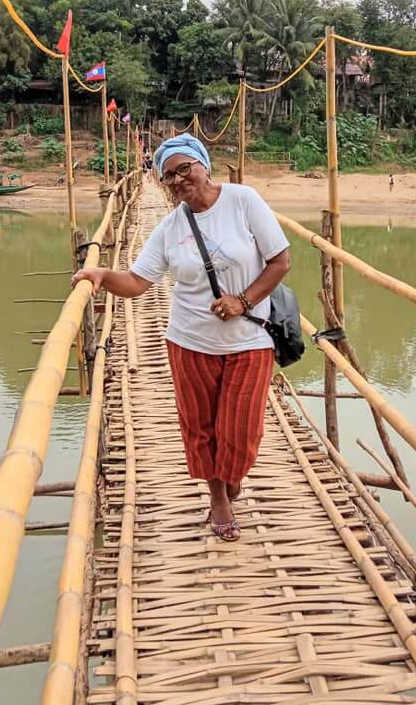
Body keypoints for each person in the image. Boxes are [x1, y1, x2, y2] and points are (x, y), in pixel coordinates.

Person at [71, 133, 291, 541]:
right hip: (190, 341)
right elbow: (137, 281)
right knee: (201, 426)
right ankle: (218, 497)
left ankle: (231, 475)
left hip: (251, 340)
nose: (177, 181)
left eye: (184, 169)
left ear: (203, 164)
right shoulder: (170, 227)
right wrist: (101, 275)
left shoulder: (244, 201)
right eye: (168, 176)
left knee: (241, 432)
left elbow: (280, 260)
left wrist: (243, 301)